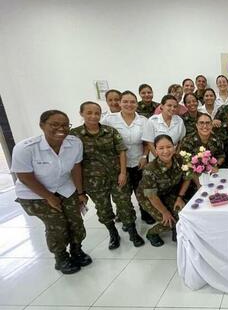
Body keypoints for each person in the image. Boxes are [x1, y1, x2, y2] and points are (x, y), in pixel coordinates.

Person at [12, 110, 91, 274]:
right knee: (58, 225)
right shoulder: (26, 148)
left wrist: (80, 192)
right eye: (54, 124)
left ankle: (77, 250)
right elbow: (25, 176)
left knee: (76, 221)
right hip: (35, 194)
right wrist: (48, 197)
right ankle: (61, 257)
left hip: (65, 187)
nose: (60, 128)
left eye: (64, 125)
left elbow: (76, 167)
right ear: (42, 125)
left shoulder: (74, 143)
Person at [71, 102, 136, 250]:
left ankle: (132, 231)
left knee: (125, 204)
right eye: (89, 113)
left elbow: (121, 151)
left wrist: (123, 172)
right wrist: (80, 190)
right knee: (103, 209)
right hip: (94, 182)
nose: (93, 116)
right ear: (81, 114)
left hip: (116, 177)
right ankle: (113, 234)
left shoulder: (110, 131)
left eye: (97, 113)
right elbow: (74, 164)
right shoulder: (74, 136)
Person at [102, 91, 154, 228]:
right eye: (125, 101)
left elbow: (147, 142)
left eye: (132, 102)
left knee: (142, 190)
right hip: (119, 164)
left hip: (139, 161)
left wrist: (144, 156)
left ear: (137, 104)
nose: (129, 105)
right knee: (123, 192)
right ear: (120, 103)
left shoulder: (143, 120)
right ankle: (126, 217)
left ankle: (146, 213)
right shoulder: (109, 120)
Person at [136, 135, 191, 247]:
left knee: (183, 213)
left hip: (167, 192)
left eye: (169, 147)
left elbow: (188, 177)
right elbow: (151, 196)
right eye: (161, 148)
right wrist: (165, 212)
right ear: (155, 150)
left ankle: (177, 230)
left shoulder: (180, 159)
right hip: (149, 197)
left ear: (174, 147)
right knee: (168, 221)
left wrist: (180, 197)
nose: (166, 151)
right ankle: (151, 233)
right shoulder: (150, 169)